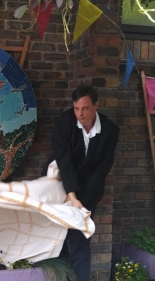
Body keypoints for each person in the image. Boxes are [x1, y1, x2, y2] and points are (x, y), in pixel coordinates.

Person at [41, 85, 119, 281]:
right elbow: (64, 160)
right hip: (58, 182)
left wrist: (82, 202)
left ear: (96, 105)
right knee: (57, 236)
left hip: (89, 189)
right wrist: (71, 195)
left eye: (85, 108)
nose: (80, 114)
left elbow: (102, 169)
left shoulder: (110, 130)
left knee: (79, 237)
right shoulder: (66, 122)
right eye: (76, 108)